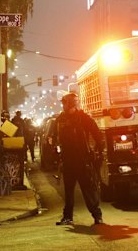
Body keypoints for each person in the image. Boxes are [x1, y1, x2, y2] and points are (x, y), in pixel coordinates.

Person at [51, 92, 104, 226]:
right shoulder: (60, 120)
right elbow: (54, 138)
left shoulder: (83, 118)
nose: (63, 106)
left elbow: (97, 133)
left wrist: (99, 149)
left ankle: (97, 216)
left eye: (65, 103)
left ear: (71, 103)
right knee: (68, 191)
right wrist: (55, 151)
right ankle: (67, 217)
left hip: (82, 160)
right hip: (67, 161)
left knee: (88, 189)